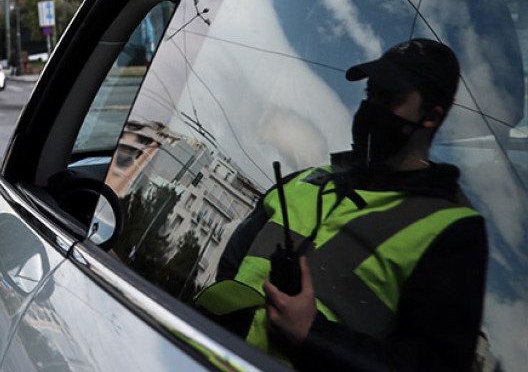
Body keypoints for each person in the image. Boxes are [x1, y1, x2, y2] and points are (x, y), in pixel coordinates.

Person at [195, 39, 488, 371]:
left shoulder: (453, 230)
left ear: (431, 117)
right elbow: (231, 267)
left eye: (389, 99)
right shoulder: (307, 180)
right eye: (369, 95)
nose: (370, 109)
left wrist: (312, 335)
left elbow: (433, 365)